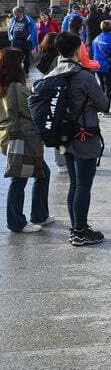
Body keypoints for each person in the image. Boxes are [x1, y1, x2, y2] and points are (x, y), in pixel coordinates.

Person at [47, 32, 109, 246]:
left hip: (64, 136)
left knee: (74, 184)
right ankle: (80, 232)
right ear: (77, 51)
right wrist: (91, 100)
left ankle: (76, 227)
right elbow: (103, 103)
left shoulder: (53, 73)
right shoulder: (83, 76)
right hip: (85, 135)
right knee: (83, 185)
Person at [1, 47, 51, 233]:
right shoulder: (17, 88)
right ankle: (16, 222)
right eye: (21, 61)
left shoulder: (5, 86)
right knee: (19, 179)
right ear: (16, 65)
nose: (24, 64)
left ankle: (39, 214)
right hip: (20, 137)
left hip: (9, 136)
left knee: (41, 173)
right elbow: (30, 112)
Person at [92, 19, 111, 117]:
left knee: (101, 87)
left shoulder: (96, 39)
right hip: (108, 67)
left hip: (97, 66)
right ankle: (105, 110)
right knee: (108, 88)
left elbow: (93, 51)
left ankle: (99, 108)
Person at [7, 7, 37, 73]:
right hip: (15, 41)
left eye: (15, 13)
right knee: (14, 56)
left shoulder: (28, 19)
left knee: (26, 56)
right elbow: (9, 29)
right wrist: (11, 38)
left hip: (25, 41)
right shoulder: (13, 19)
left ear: (19, 13)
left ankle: (26, 70)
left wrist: (30, 38)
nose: (14, 14)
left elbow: (34, 29)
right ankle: (16, 70)